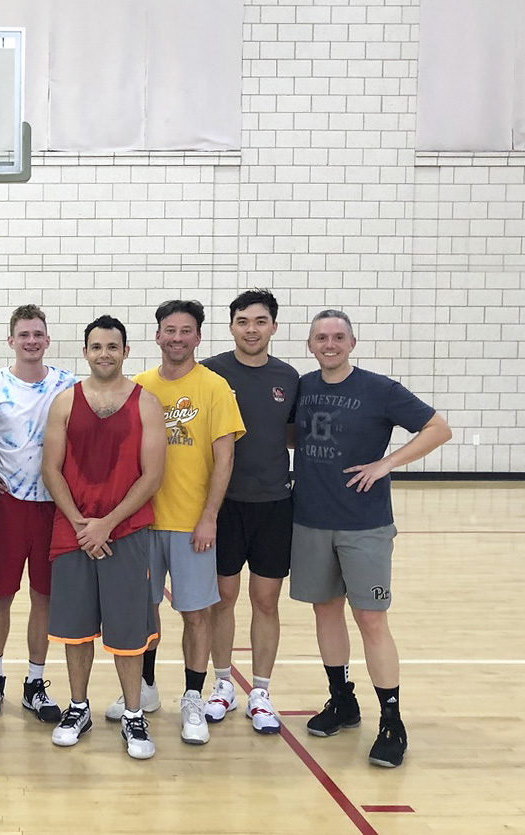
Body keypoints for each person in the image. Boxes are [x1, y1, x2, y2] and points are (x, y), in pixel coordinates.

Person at [291, 309, 451, 768]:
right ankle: (342, 700)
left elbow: (439, 427)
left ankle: (392, 720)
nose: (330, 343)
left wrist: (386, 463)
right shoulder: (303, 387)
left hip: (365, 525)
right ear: (310, 344)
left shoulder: (379, 388)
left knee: (371, 619)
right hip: (310, 520)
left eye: (338, 336)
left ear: (352, 343)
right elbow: (291, 435)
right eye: (321, 337)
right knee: (326, 612)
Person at [109, 299, 245, 747]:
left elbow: (225, 456)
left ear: (198, 337)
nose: (177, 338)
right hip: (141, 524)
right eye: (170, 330)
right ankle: (145, 688)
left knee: (195, 614)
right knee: (142, 610)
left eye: (186, 331)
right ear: (157, 336)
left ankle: (191, 697)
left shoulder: (215, 387)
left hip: (192, 526)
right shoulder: (139, 386)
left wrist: (209, 517)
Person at [42, 315, 166, 760]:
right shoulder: (64, 403)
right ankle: (79, 707)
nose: (104, 354)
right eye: (97, 347)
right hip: (73, 532)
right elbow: (50, 470)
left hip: (125, 533)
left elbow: (152, 477)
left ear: (126, 352)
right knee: (75, 631)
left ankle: (133, 713)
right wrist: (81, 524)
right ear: (85, 352)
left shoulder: (147, 403)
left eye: (113, 347)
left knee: (128, 631)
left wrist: (106, 523)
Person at [0, 304, 76, 724]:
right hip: (6, 506)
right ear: (11, 341)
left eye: (38, 334)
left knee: (44, 597)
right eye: (24, 335)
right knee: (1, 594)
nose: (31, 341)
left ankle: (34, 682)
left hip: (54, 506)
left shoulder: (69, 386)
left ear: (47, 340)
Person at [200, 289, 299, 733]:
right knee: (222, 599)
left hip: (274, 505)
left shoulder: (289, 377)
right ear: (231, 327)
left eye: (260, 321)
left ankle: (259, 691)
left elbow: (293, 434)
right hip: (222, 506)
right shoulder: (211, 373)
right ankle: (222, 684)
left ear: (274, 327)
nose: (252, 329)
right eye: (243, 321)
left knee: (266, 600)